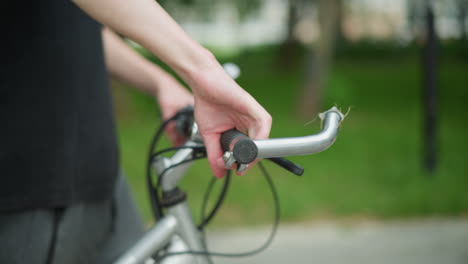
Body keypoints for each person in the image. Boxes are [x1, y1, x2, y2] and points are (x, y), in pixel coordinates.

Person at [0, 0, 271, 263]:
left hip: (97, 168)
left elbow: (83, 26)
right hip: (37, 176)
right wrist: (202, 69)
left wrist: (159, 81)